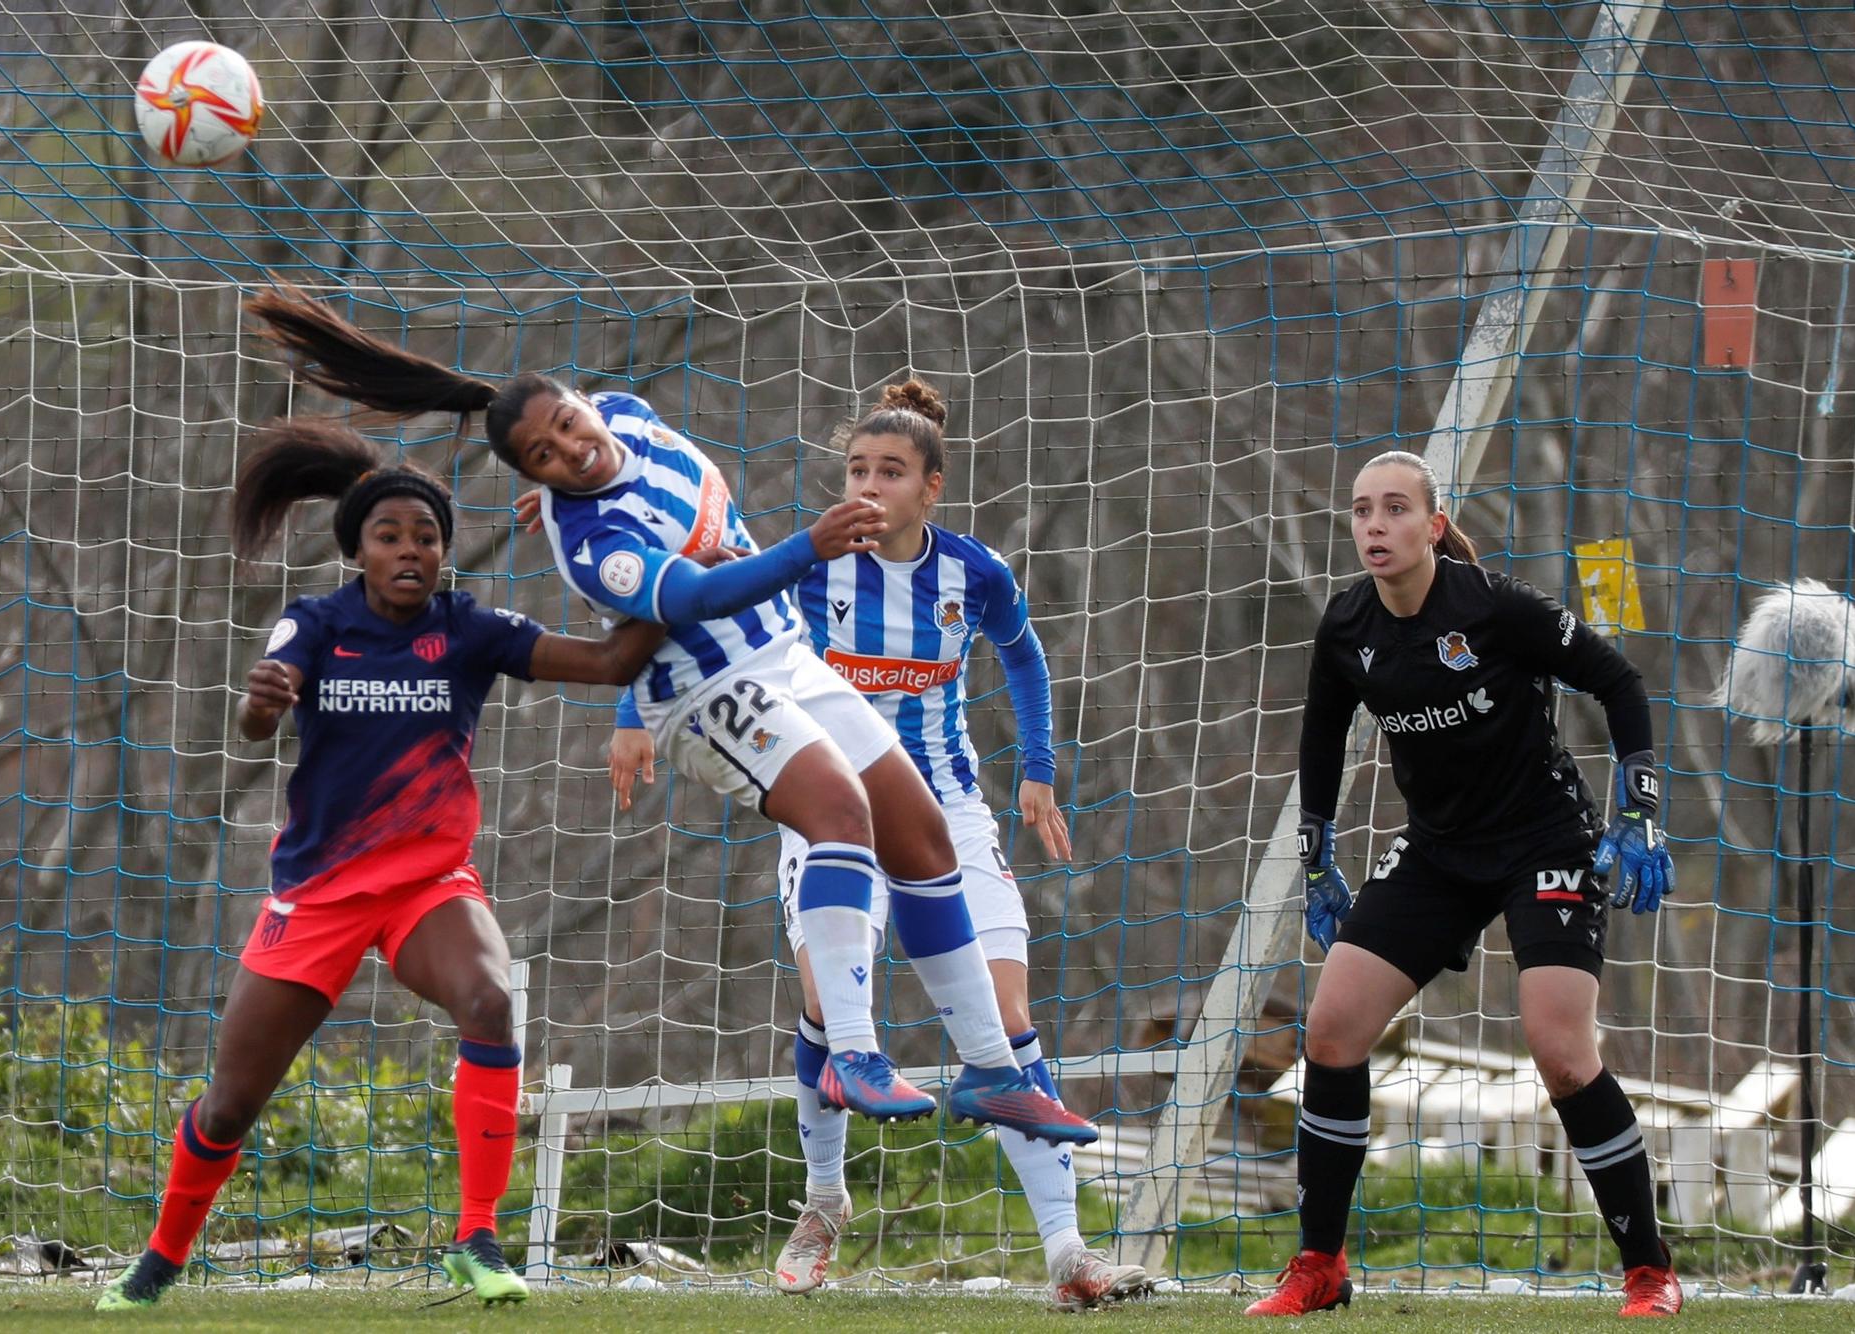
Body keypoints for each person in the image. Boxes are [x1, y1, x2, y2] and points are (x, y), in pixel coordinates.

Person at [247, 289, 1097, 1148]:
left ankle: (991, 1070)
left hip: (784, 654)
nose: (572, 452)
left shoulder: (628, 414)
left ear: (587, 402)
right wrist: (809, 544)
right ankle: (850, 1054)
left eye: (568, 427)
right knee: (840, 815)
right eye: (544, 457)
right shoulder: (596, 544)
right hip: (704, 694)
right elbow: (690, 595)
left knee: (921, 836)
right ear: (533, 479)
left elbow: (653, 483)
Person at [97, 419, 726, 1311]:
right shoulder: (314, 624)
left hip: (428, 886)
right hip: (318, 895)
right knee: (230, 1107)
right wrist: (261, 702)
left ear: (444, 550)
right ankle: (159, 1258)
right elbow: (256, 717)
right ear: (357, 549)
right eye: (390, 536)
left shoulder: (470, 629)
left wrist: (674, 578)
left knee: (491, 999)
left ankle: (478, 1238)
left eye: (426, 536)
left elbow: (610, 659)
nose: (411, 550)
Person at [606, 380, 1149, 1309]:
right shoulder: (811, 562)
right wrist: (631, 712)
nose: (868, 484)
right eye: (857, 468)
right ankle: (824, 1200)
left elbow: (1023, 652)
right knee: (825, 999)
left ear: (931, 487)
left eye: (889, 471)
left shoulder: (972, 572)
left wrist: (1037, 768)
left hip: (947, 806)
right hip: (826, 805)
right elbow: (690, 612)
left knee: (1007, 1017)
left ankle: (1068, 1254)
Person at [1248, 450, 1683, 1319]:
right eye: (1363, 510)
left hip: (1545, 840)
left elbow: (1619, 680)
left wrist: (1639, 807)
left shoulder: (1494, 608)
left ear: (1434, 526)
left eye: (1396, 509)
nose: (1375, 525)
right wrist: (1318, 853)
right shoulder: (1346, 629)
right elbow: (1321, 742)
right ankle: (1320, 1266)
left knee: (1560, 1050)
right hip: (1440, 852)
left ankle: (1649, 1272)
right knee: (1331, 1032)